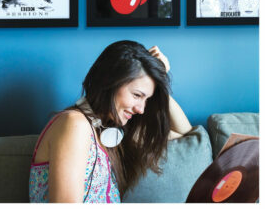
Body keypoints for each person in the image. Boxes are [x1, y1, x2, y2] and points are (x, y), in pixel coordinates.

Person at [29, 40, 192, 203]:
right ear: (110, 82)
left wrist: (160, 80)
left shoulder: (110, 132)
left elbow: (183, 132)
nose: (141, 109)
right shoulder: (74, 124)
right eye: (137, 95)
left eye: (146, 99)